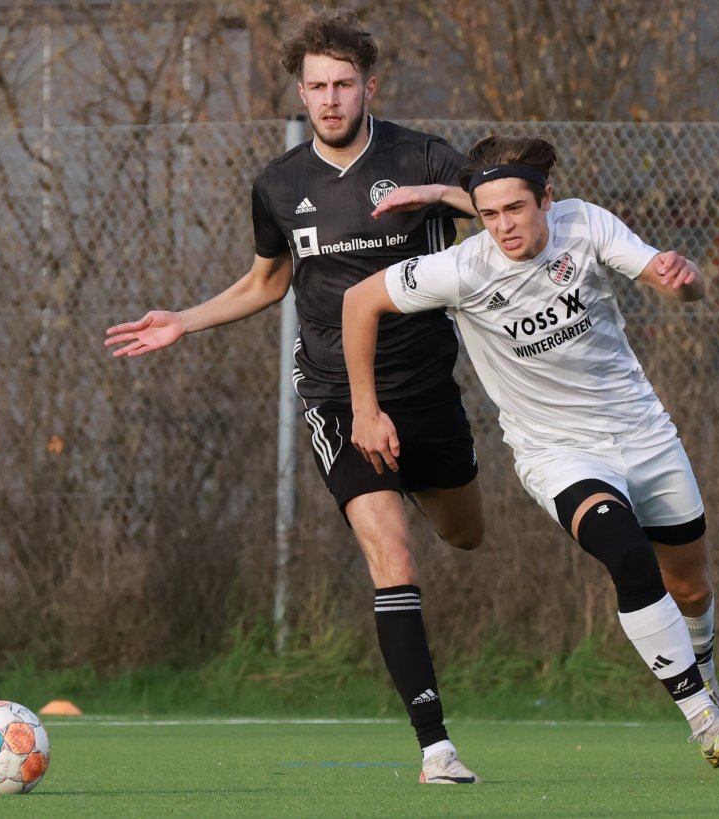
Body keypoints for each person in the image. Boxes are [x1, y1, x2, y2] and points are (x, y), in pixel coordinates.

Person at [106, 9, 485, 784]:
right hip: (337, 395)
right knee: (392, 555)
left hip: (424, 390)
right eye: (316, 86)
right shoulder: (279, 183)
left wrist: (447, 191)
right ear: (300, 93)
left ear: (369, 85)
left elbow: (513, 212)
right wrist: (183, 319)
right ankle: (435, 747)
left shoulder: (420, 154)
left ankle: (414, 478)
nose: (330, 99)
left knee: (465, 533)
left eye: (344, 84)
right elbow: (266, 282)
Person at [342, 134, 719, 769]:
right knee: (627, 554)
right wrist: (365, 411)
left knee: (691, 590)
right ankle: (701, 715)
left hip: (644, 435)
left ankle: (709, 676)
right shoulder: (462, 269)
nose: (504, 225)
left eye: (516, 209)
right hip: (557, 453)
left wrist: (686, 280)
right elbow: (357, 301)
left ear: (547, 202)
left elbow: (672, 283)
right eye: (489, 213)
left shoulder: (584, 225)